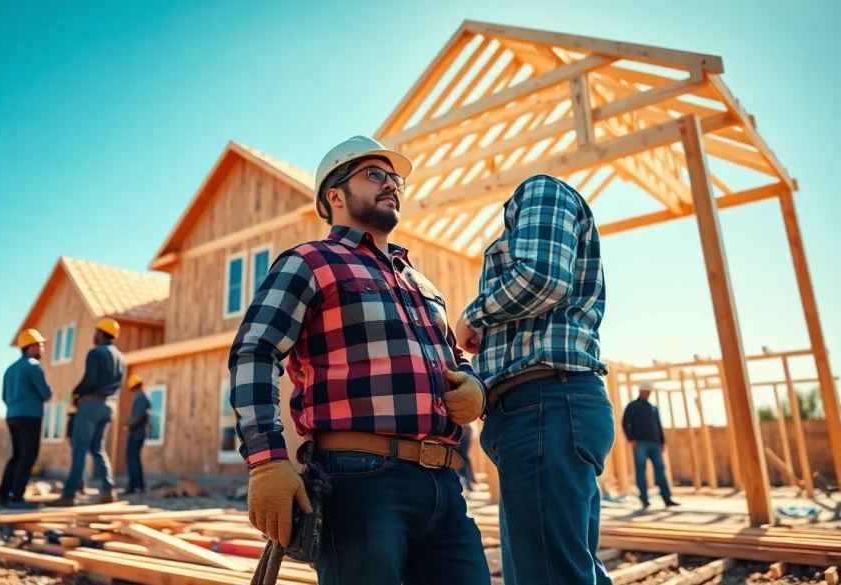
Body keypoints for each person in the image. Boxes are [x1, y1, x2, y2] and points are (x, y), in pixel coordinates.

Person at [228, 135, 491, 585]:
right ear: (335, 195)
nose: (391, 185)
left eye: (395, 180)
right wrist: (268, 461)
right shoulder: (310, 261)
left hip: (446, 485)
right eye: (375, 175)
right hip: (361, 481)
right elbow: (255, 350)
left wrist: (473, 385)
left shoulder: (422, 285)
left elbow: (453, 360)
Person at [455, 174, 614, 585]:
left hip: (544, 404)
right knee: (569, 569)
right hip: (550, 407)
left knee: (545, 575)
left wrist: (473, 316)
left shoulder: (539, 190)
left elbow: (543, 276)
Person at [53, 317, 125, 507]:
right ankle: (108, 490)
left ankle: (69, 495)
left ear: (101, 333)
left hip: (91, 405)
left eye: (95, 332)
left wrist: (76, 392)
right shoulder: (120, 357)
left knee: (80, 449)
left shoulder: (96, 353)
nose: (94, 335)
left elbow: (90, 379)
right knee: (98, 449)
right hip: (108, 406)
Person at [0, 329, 52, 509]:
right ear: (31, 347)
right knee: (28, 455)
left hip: (12, 415)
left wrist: (15, 405)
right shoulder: (33, 367)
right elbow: (46, 393)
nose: (42, 350)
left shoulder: (10, 369)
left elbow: (4, 396)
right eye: (40, 345)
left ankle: (4, 495)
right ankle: (17, 498)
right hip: (30, 416)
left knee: (17, 455)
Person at [622, 379, 679, 509]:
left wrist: (662, 442)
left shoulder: (653, 408)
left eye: (649, 391)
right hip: (640, 443)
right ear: (641, 390)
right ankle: (644, 500)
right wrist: (631, 439)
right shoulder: (632, 406)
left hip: (655, 444)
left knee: (660, 470)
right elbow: (625, 423)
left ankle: (667, 498)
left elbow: (658, 426)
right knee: (641, 471)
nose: (648, 394)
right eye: (646, 391)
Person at [123, 374, 151, 497]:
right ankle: (139, 486)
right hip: (139, 433)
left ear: (134, 387)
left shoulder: (140, 398)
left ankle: (134, 486)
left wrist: (129, 425)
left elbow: (139, 416)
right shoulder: (143, 397)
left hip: (136, 434)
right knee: (135, 459)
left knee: (132, 459)